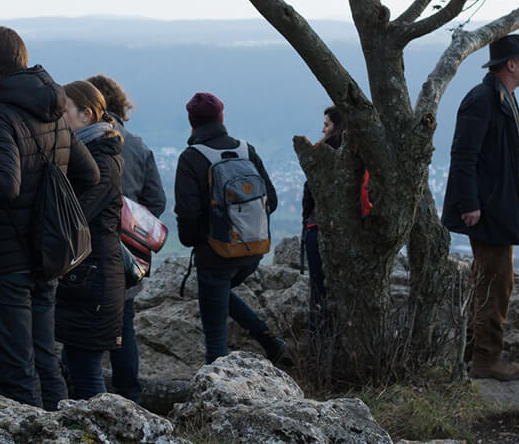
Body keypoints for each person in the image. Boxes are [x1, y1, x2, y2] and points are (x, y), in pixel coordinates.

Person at [0, 26, 99, 410]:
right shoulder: (54, 114)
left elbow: (1, 183)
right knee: (45, 363)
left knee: (13, 372)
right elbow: (88, 175)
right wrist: (45, 212)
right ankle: (58, 432)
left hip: (3, 262)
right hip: (45, 258)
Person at [441, 34, 519, 382]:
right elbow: (464, 156)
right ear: (510, 64)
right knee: (496, 284)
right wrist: (470, 204)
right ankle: (486, 359)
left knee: (492, 281)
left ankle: (475, 351)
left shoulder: (502, 97)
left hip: (499, 207)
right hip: (489, 210)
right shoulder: (483, 99)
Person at [174, 92, 287, 364]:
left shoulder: (191, 158)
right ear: (222, 117)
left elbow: (188, 214)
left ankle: (219, 389)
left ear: (191, 121)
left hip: (215, 255)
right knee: (220, 292)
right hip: (252, 252)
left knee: (215, 337)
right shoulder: (246, 150)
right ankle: (269, 340)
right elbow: (270, 199)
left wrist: (196, 241)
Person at [86, 74, 164, 404]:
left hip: (89, 248)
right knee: (124, 324)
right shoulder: (139, 146)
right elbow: (157, 201)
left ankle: (84, 390)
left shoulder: (86, 144)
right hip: (130, 255)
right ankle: (129, 394)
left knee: (82, 324)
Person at [55, 81, 125, 400]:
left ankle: (95, 432)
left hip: (94, 282)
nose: (59, 118)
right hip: (89, 279)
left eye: (64, 110)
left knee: (86, 375)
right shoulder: (90, 154)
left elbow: (76, 215)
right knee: (75, 366)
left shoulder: (101, 162)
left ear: (85, 114)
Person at [300, 106, 372, 334]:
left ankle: (317, 349)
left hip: (318, 228)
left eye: (327, 124)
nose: (323, 129)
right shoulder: (361, 157)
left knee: (319, 293)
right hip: (352, 231)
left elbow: (309, 196)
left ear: (338, 126)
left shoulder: (323, 154)